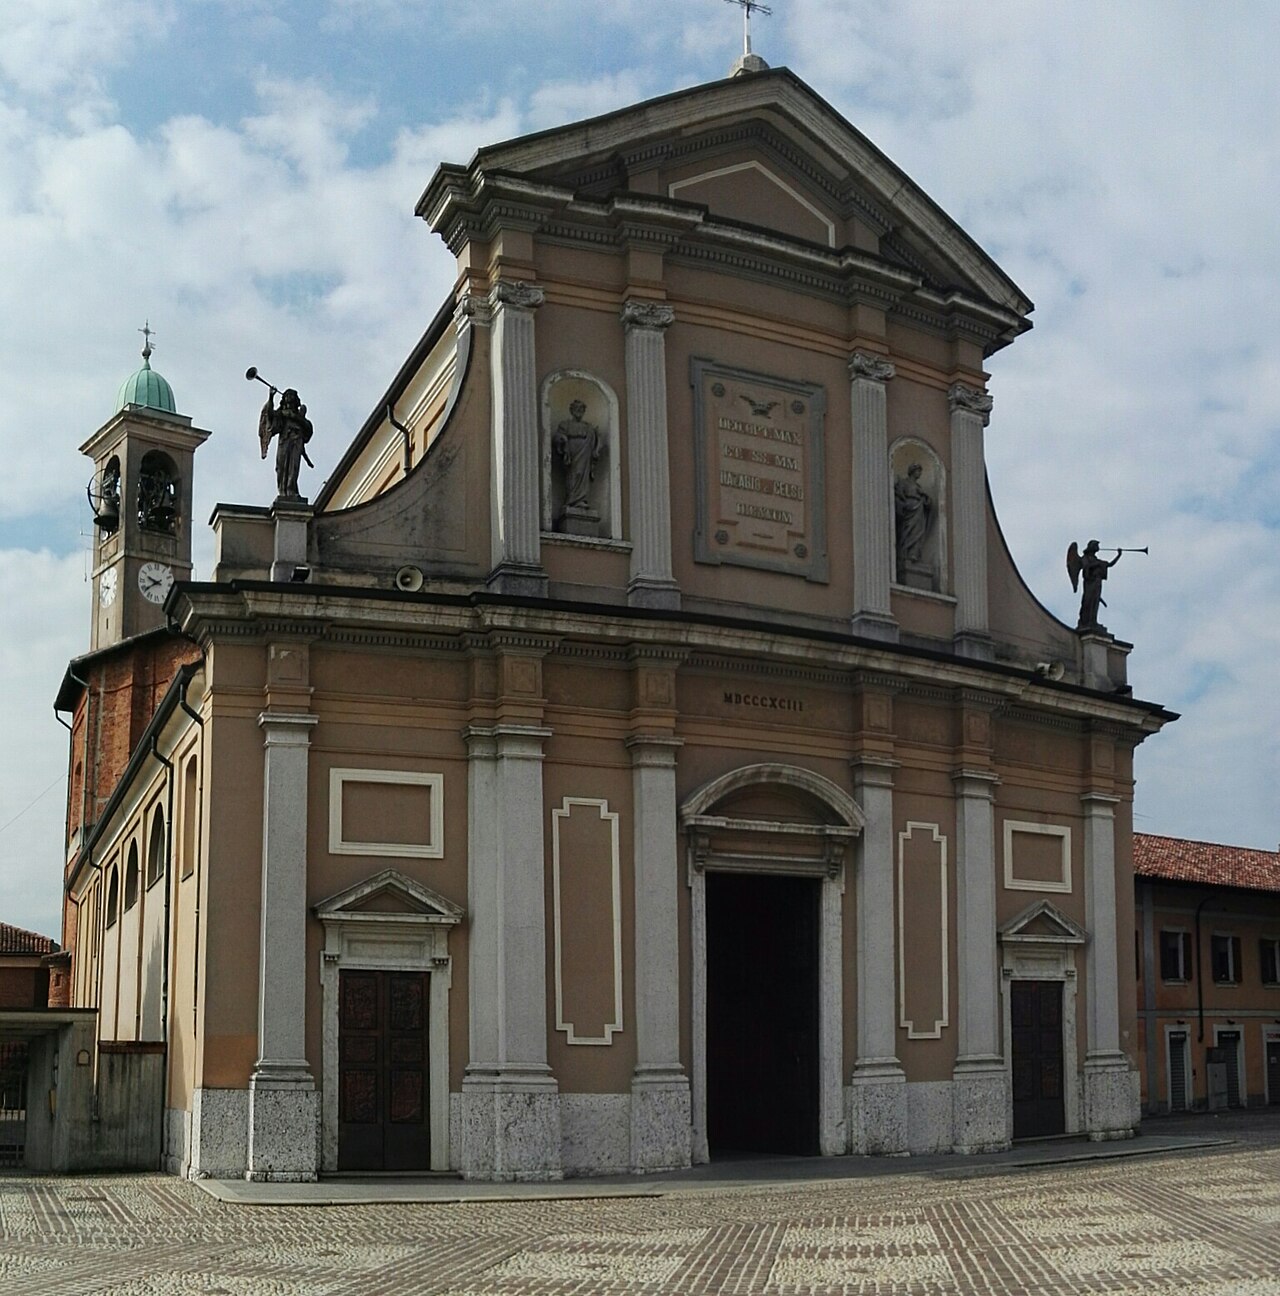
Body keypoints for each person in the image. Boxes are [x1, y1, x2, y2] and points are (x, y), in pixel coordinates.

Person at [259, 388, 313, 499]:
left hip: (296, 441)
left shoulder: (299, 416)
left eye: (292, 395)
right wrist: (271, 397)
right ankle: (283, 491)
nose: (289, 397)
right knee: (281, 467)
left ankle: (291, 491)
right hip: (284, 440)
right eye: (287, 395)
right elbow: (270, 417)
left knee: (293, 467)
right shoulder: (281, 414)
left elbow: (308, 428)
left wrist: (295, 417)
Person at [553, 399, 601, 512]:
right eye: (576, 409)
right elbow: (558, 438)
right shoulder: (565, 424)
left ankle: (580, 500)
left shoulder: (588, 427)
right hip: (571, 455)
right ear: (571, 410)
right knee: (573, 475)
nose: (579, 411)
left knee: (582, 475)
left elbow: (597, 441)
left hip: (585, 455)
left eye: (581, 409)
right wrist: (562, 440)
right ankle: (572, 500)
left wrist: (597, 445)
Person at [894, 462, 933, 572]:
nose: (919, 473)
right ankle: (906, 555)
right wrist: (903, 505)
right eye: (918, 471)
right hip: (909, 510)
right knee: (908, 532)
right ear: (912, 471)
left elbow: (927, 503)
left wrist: (925, 497)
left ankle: (914, 555)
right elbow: (898, 496)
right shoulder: (904, 483)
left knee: (918, 533)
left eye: (920, 471)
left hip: (919, 511)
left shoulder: (919, 487)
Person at [1077, 539, 1120, 629]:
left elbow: (1110, 564)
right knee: (1088, 601)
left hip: (1097, 582)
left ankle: (1093, 621)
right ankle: (1085, 622)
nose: (1098, 548)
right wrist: (1096, 564)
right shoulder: (1085, 558)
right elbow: (1086, 567)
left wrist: (1118, 555)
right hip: (1090, 582)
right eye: (1096, 546)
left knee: (1095, 602)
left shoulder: (1097, 560)